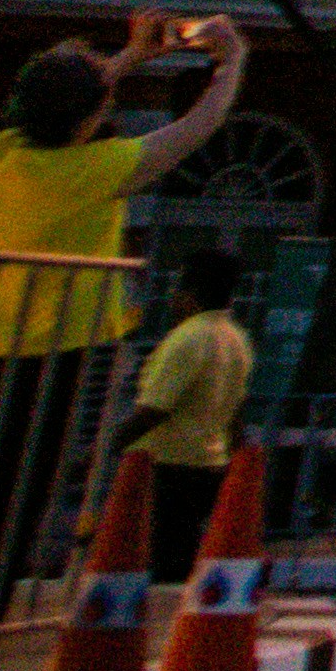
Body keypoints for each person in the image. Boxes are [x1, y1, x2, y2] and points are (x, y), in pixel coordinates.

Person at [0, 12, 245, 642]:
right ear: (90, 116)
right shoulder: (92, 171)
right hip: (47, 361)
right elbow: (196, 129)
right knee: (8, 511)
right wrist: (231, 61)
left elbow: (62, 99)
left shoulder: (4, 154)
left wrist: (129, 58)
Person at [125, 244, 259, 586]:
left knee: (158, 562)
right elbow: (236, 413)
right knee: (183, 559)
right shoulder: (237, 339)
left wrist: (106, 448)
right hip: (210, 465)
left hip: (169, 466)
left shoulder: (187, 339)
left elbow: (153, 410)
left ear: (189, 294)